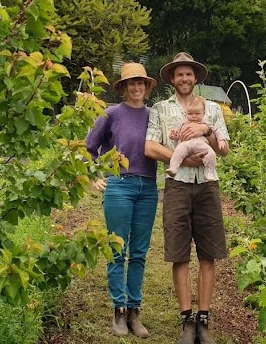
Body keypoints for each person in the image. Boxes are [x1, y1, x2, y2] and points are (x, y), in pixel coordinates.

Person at [145, 52, 230, 344]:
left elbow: (224, 150)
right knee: (179, 252)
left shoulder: (213, 109)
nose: (185, 78)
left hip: (207, 187)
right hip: (177, 186)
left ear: (196, 78)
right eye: (179, 74)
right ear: (172, 78)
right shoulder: (159, 108)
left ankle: (203, 319)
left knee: (208, 252)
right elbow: (150, 147)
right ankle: (186, 319)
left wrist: (206, 130)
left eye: (189, 74)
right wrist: (180, 159)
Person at [85, 62, 159, 338]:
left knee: (139, 253)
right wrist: (93, 175)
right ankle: (119, 311)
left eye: (141, 83)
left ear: (147, 86)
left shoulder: (153, 116)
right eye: (131, 83)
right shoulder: (111, 114)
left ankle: (134, 311)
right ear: (124, 87)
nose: (136, 87)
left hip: (148, 189)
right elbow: (88, 148)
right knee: (117, 250)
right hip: (119, 185)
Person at [166, 96, 228, 181]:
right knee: (178, 151)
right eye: (190, 114)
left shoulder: (206, 123)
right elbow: (176, 133)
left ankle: (209, 173)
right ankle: (173, 168)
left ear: (203, 113)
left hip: (202, 146)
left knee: (211, 154)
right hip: (185, 144)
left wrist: (221, 140)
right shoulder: (183, 123)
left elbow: (217, 131)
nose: (194, 116)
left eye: (197, 114)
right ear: (186, 113)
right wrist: (173, 135)